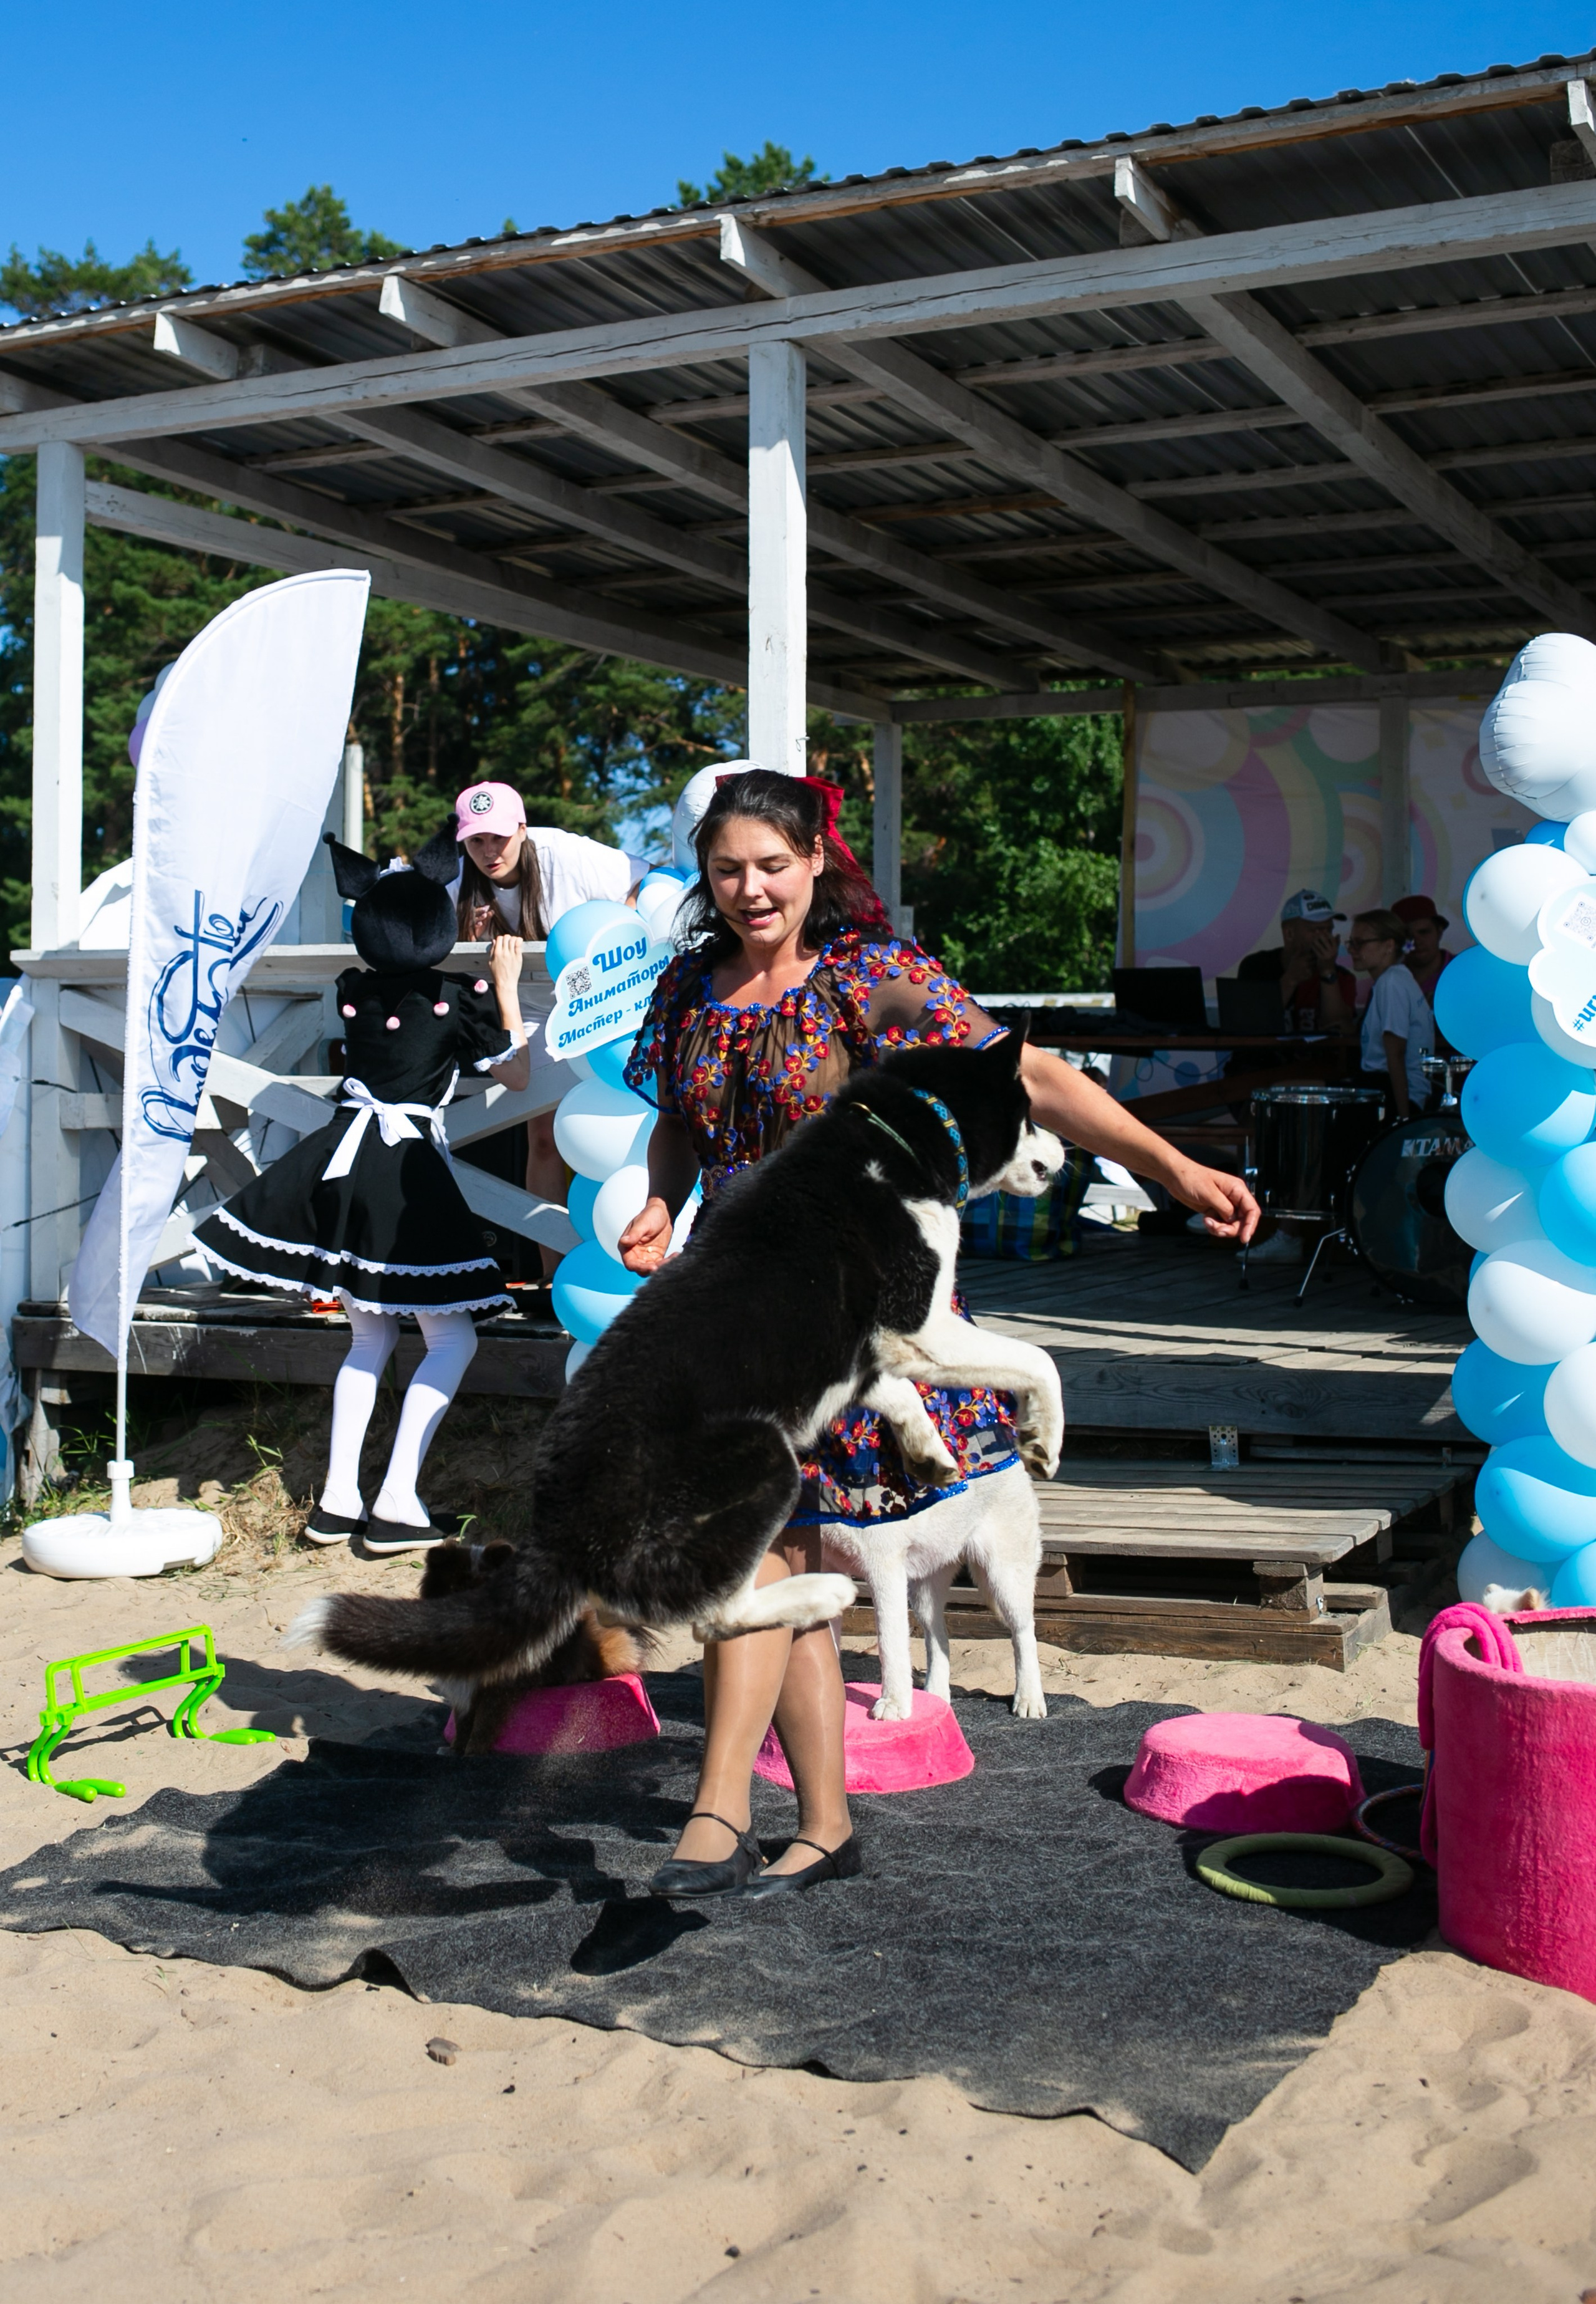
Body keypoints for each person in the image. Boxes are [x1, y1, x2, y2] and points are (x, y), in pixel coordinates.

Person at [616, 769, 1259, 1899]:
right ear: (705, 877)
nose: (751, 889)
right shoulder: (685, 988)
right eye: (727, 869)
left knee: (766, 1552)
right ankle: (820, 1826)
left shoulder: (874, 976)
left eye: (773, 864)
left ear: (818, 860)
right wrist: (663, 1201)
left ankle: (719, 1814)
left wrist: (1168, 1166)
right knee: (789, 1556)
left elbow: (1038, 1078)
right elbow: (680, 1122)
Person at [195, 831, 529, 1550]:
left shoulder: (352, 990)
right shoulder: (457, 994)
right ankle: (398, 1500)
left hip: (340, 1160)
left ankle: (337, 1502)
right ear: (437, 927)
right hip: (403, 1170)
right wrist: (502, 984)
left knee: (368, 1334)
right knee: (452, 1338)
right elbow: (518, 1075)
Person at [446, 780, 650, 1272]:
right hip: (524, 1008)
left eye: (499, 837)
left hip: (592, 1003)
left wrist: (612, 959)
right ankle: (552, 1271)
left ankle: (627, 1256)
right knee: (542, 1136)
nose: (489, 851)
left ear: (522, 829)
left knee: (604, 1132)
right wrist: (466, 940)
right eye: (477, 840)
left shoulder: (565, 853)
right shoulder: (458, 879)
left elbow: (646, 881)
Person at [1349, 907, 1434, 1122]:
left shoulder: (1391, 982)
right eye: (1351, 943)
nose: (1352, 950)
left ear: (1389, 946)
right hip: (1390, 1090)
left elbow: (1395, 1054)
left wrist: (1403, 1119)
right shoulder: (1395, 979)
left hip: (1391, 1094)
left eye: (1360, 943)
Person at [1237, 889, 1356, 1033]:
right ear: (1289, 933)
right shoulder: (1256, 966)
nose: (1325, 938)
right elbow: (1250, 1026)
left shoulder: (1342, 977)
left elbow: (1339, 1032)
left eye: (1329, 930)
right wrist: (1291, 979)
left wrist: (1328, 972)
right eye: (1317, 930)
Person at [1392, 893, 1453, 1005]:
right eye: (1408, 935)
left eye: (1424, 932)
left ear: (1439, 933)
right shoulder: (1391, 980)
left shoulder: (1464, 970)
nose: (1417, 941)